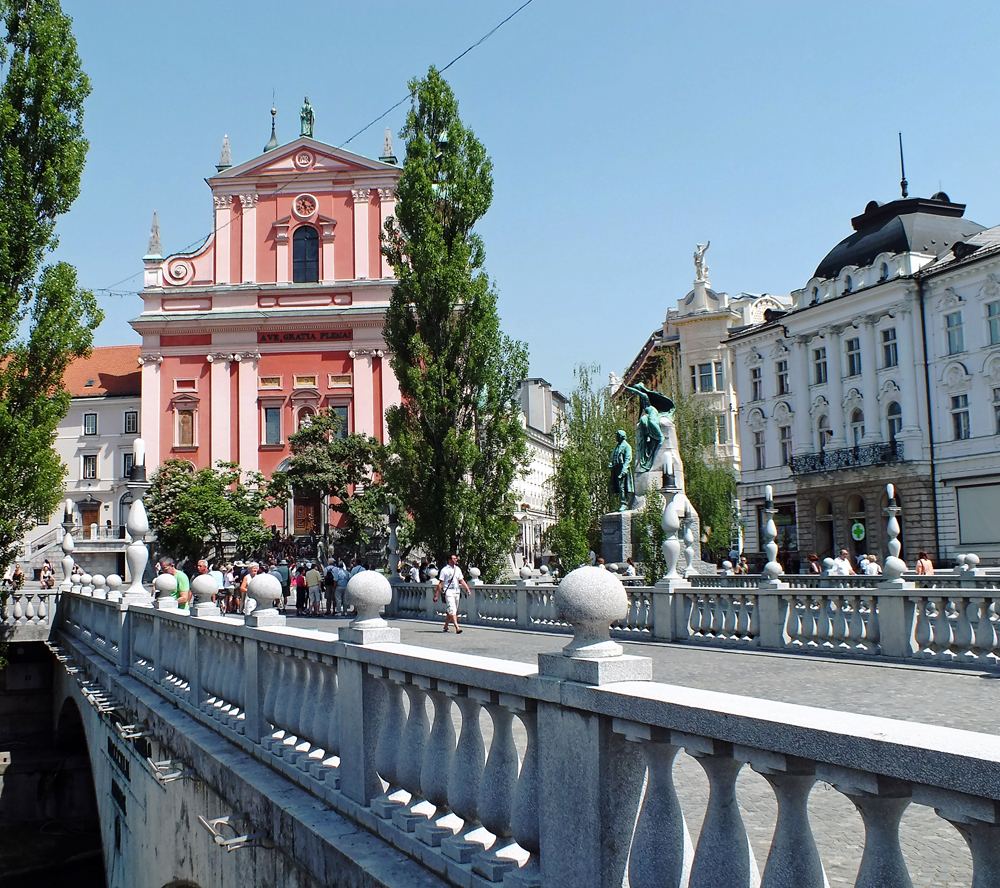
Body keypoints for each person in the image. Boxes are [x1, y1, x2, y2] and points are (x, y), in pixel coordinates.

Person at [435, 554, 471, 633]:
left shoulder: (457, 569)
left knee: (452, 610)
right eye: (454, 559)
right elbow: (441, 583)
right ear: (449, 560)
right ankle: (457, 627)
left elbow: (461, 580)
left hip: (456, 591)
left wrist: (468, 589)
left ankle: (446, 626)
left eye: (456, 558)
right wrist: (436, 595)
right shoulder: (444, 570)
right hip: (448, 591)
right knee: (452, 609)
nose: (456, 560)